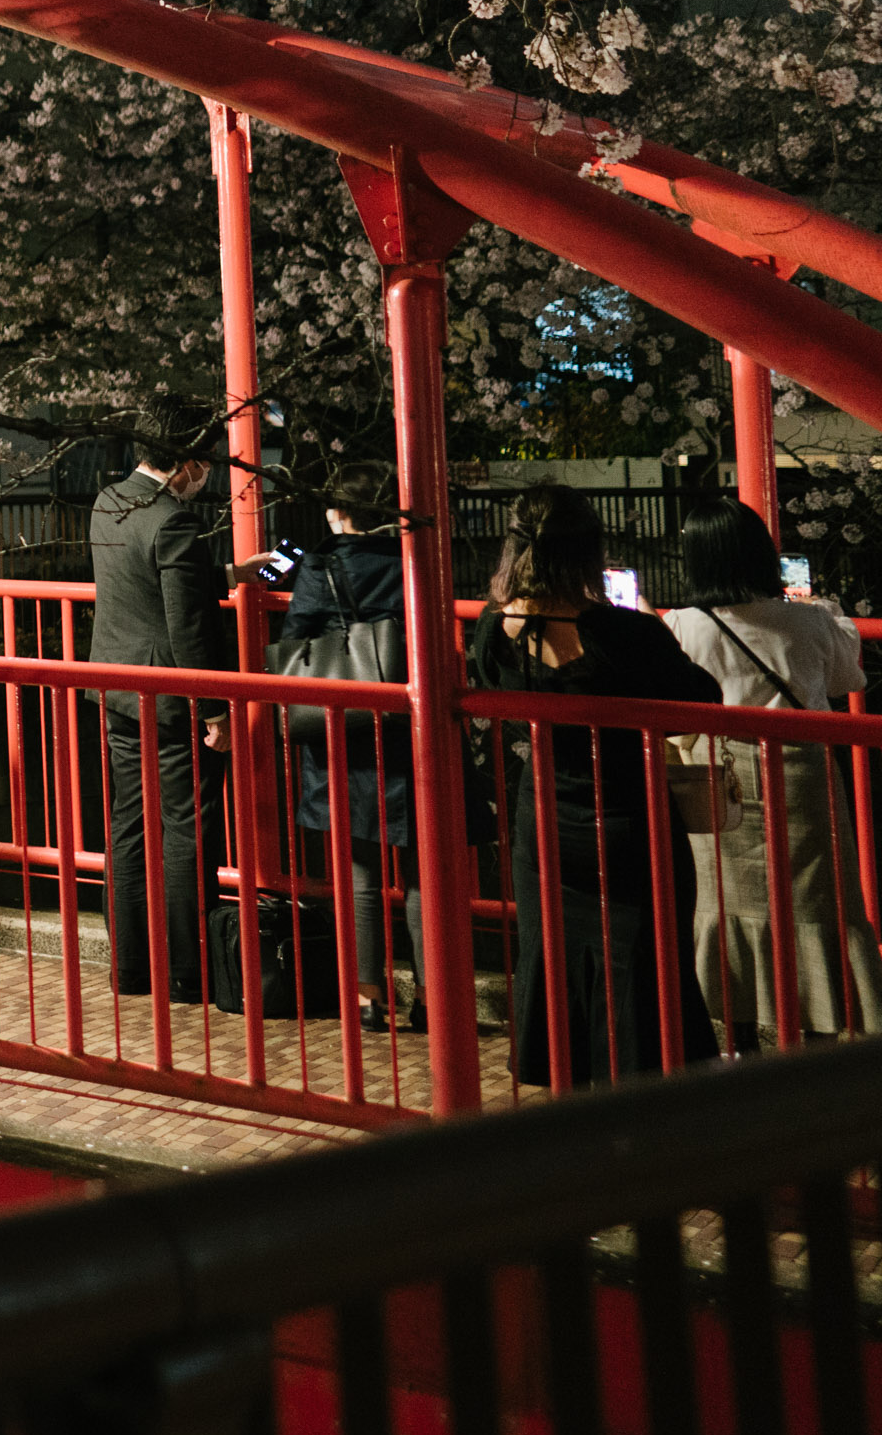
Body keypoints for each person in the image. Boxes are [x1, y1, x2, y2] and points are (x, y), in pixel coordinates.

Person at [466, 483, 721, 1088]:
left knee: (554, 955)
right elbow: (703, 698)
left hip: (545, 818)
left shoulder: (494, 628)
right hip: (629, 816)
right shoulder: (627, 633)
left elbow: (486, 677)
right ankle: (643, 1095)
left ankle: (567, 1088)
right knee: (642, 963)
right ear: (588, 554)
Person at [654, 500, 882, 1049]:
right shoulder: (807, 620)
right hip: (802, 775)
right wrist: (825, 611)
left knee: (724, 905)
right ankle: (819, 1035)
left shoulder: (681, 626)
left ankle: (736, 1042)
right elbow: (846, 679)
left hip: (718, 779)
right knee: (816, 908)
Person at [259, 463, 425, 1035]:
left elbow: (295, 636)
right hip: (409, 723)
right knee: (422, 869)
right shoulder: (412, 558)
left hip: (343, 727)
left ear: (339, 512)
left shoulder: (321, 564)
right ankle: (431, 994)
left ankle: (369, 997)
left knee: (359, 866)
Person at [89, 406, 234, 1001]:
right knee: (186, 831)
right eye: (207, 462)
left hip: (119, 689)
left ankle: (129, 967)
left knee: (127, 826)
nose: (209, 474)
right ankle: (185, 970)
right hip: (173, 699)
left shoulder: (109, 501)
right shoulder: (177, 521)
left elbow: (141, 581)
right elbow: (188, 626)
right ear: (189, 462)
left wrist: (225, 572)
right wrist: (215, 710)